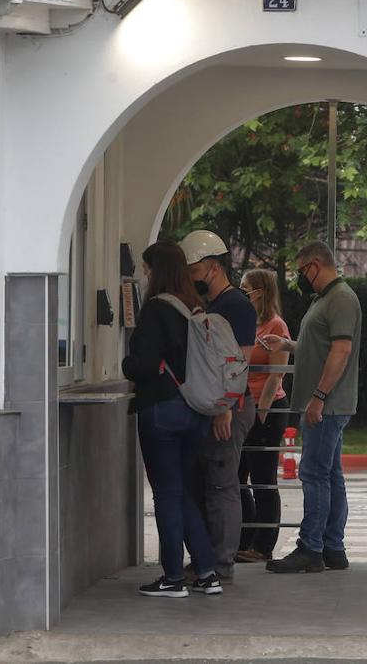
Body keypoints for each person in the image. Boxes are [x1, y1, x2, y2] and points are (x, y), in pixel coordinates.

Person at [122, 241, 223, 598]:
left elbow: (144, 364)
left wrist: (126, 364)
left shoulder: (156, 309)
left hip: (162, 412)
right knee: (181, 491)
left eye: (147, 268)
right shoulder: (194, 306)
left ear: (158, 270)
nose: (145, 274)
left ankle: (172, 577)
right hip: (194, 410)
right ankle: (208, 571)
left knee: (166, 493)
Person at [262, 241, 361, 574]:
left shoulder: (341, 299)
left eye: (302, 271)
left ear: (316, 265)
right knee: (330, 475)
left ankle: (310, 548)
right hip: (324, 403)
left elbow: (341, 351)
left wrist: (318, 396)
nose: (301, 278)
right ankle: (332, 548)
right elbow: (319, 346)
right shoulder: (325, 299)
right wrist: (288, 344)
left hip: (327, 405)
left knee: (314, 474)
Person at [178, 229, 258, 582]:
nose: (190, 278)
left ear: (211, 267)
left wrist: (224, 408)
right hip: (216, 407)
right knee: (207, 484)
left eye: (193, 271)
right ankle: (208, 560)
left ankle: (220, 564)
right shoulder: (216, 305)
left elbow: (238, 363)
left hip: (228, 408)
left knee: (222, 486)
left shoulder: (235, 306)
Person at [235, 268, 292, 563]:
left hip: (266, 411)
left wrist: (260, 414)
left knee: (263, 480)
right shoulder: (247, 323)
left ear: (260, 292)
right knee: (237, 478)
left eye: (245, 288)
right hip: (242, 408)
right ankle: (244, 538)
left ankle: (263, 545)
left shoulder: (276, 325)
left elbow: (275, 376)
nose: (241, 292)